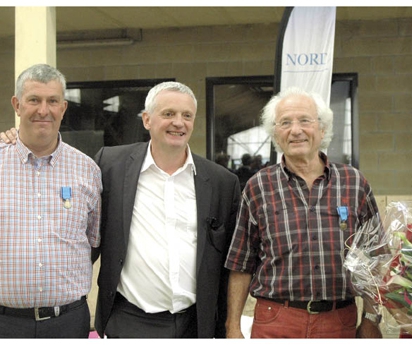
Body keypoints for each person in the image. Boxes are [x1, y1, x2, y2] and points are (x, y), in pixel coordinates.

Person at [0, 64, 102, 338]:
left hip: (67, 323)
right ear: (17, 105)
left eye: (52, 101)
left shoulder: (87, 169)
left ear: (63, 108)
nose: (43, 110)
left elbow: (92, 242)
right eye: (34, 100)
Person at [224, 86, 383, 338]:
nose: (295, 130)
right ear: (276, 134)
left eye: (305, 121)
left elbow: (375, 256)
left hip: (339, 320)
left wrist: (372, 318)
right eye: (285, 122)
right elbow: (241, 263)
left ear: (322, 129)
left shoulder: (354, 183)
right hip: (275, 319)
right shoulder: (258, 186)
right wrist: (232, 327)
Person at [93, 81, 241, 338]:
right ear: (147, 120)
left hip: (195, 324)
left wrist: (229, 325)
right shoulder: (111, 165)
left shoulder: (222, 183)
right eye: (168, 114)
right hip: (130, 319)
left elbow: (231, 262)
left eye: (187, 116)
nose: (178, 123)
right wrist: (18, 139)